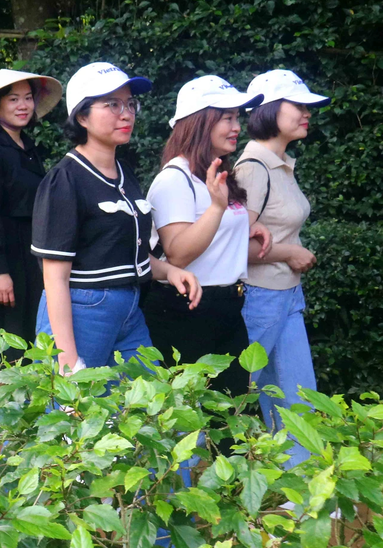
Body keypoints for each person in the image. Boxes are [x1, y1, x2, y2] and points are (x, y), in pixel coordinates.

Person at [31, 62, 202, 375]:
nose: (126, 114)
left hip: (129, 309)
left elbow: (120, 249)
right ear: (81, 116)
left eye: (130, 104)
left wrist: (169, 271)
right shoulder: (64, 181)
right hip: (83, 312)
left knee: (151, 405)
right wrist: (67, 360)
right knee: (79, 415)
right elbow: (54, 277)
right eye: (112, 104)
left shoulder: (126, 175)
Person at [144, 75, 271, 403]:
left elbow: (216, 235)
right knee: (182, 420)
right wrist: (217, 208)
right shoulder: (174, 179)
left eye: (237, 117)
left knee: (232, 417)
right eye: (226, 117)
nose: (237, 126)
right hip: (186, 311)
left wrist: (246, 228)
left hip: (228, 307)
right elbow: (179, 254)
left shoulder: (211, 175)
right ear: (199, 122)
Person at [238, 69, 330, 468]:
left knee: (298, 396)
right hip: (259, 298)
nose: (307, 111)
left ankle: (303, 486)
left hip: (287, 295)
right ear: (270, 110)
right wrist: (290, 253)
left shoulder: (279, 163)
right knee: (237, 394)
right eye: (299, 104)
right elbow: (235, 246)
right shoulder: (254, 167)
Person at [0, 69, 63, 362]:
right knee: (4, 340)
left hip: (29, 256)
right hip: (4, 260)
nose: (24, 105)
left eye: (28, 98)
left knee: (30, 334)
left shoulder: (27, 147)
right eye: (14, 98)